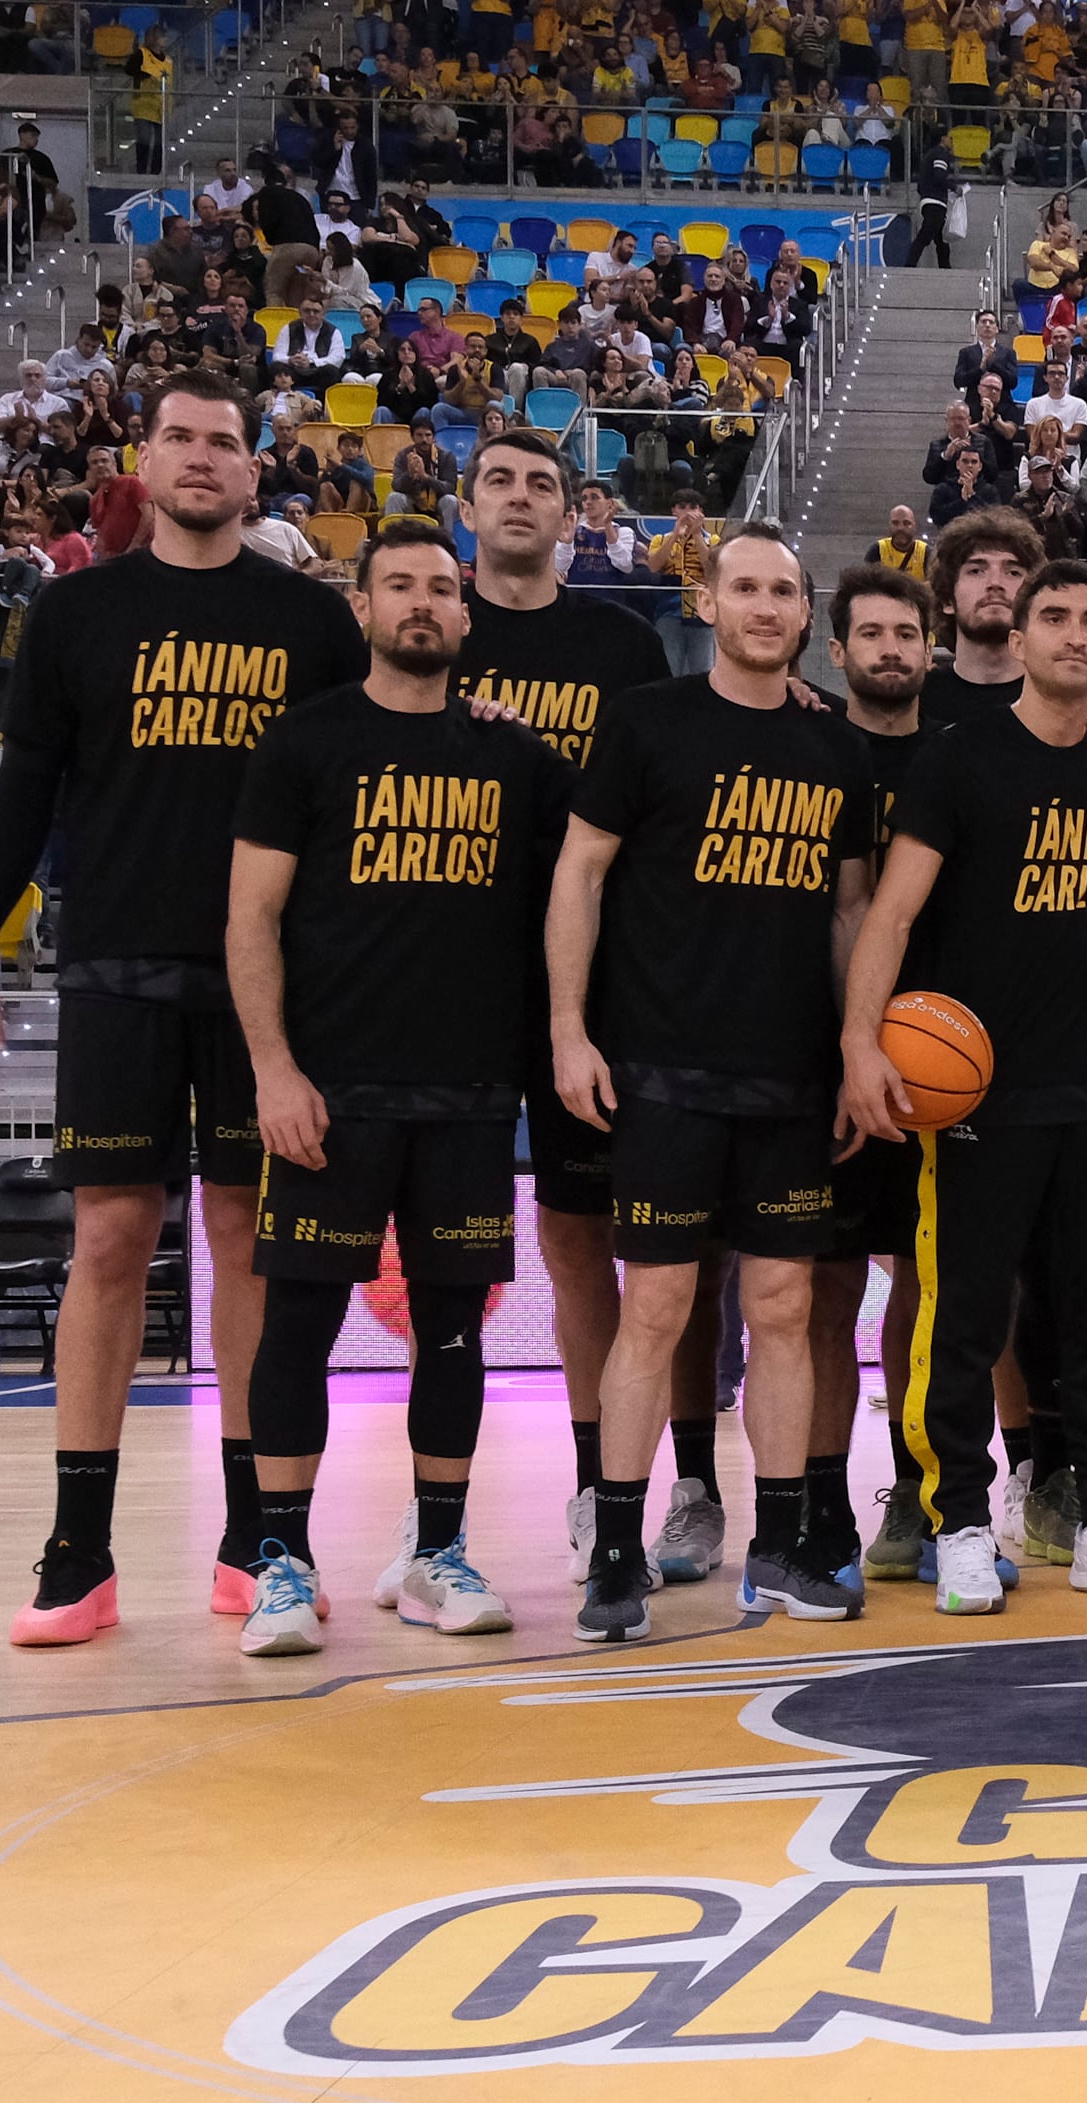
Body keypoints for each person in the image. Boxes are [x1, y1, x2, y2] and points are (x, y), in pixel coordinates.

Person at [0, 370, 367, 1647]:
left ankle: (253, 1539)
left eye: (223, 443)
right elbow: (22, 789)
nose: (201, 458)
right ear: (144, 461)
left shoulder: (311, 622)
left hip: (269, 985)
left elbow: (362, 797)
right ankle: (78, 1552)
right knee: (113, 1240)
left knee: (245, 1238)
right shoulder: (77, 613)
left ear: (253, 472)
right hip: (119, 964)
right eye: (179, 437)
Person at [218, 518, 571, 1654]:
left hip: (471, 1094)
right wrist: (273, 1069)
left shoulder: (518, 759)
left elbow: (620, 854)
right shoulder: (304, 744)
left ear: (467, 616)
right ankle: (280, 1562)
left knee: (455, 1330)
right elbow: (250, 918)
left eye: (441, 588)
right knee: (299, 1326)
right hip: (331, 1093)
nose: (422, 603)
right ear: (361, 608)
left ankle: (436, 1550)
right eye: (399, 586)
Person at [544, 523, 880, 1642]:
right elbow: (578, 875)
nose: (766, 607)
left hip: (787, 1075)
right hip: (662, 1069)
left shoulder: (838, 751)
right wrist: (567, 1030)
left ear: (802, 613)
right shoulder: (646, 722)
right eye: (746, 587)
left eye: (785, 591)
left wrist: (851, 1050)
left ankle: (777, 1549)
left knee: (783, 1309)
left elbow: (846, 913)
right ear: (708, 602)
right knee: (657, 1308)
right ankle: (612, 1555)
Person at [839, 557, 1087, 1612]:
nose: (1077, 635)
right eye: (1055, 619)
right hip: (978, 1092)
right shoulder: (961, 759)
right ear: (1018, 640)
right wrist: (861, 1045)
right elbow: (891, 915)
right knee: (963, 1314)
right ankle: (958, 1521)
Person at [450, 423, 684, 1571]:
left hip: (588, 981)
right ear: (465, 502)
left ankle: (609, 1486)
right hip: (442, 969)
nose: (520, 499)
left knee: (588, 1236)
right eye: (499, 479)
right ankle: (434, 1512)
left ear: (569, 513)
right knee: (462, 1248)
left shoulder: (621, 643)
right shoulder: (423, 633)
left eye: (542, 484)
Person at [823, 563, 943, 1584]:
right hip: (809, 1055)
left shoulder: (955, 756)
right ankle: (815, 1492)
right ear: (840, 651)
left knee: (923, 1279)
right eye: (873, 635)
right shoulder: (811, 746)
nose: (891, 651)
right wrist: (844, 1048)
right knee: (809, 1286)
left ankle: (913, 1484)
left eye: (906, 635)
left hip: (933, 1068)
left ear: (929, 648)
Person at [918, 506, 1042, 726]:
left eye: (1012, 572)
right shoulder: (915, 701)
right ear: (947, 600)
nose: (995, 583)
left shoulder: (1070, 701)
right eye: (976, 571)